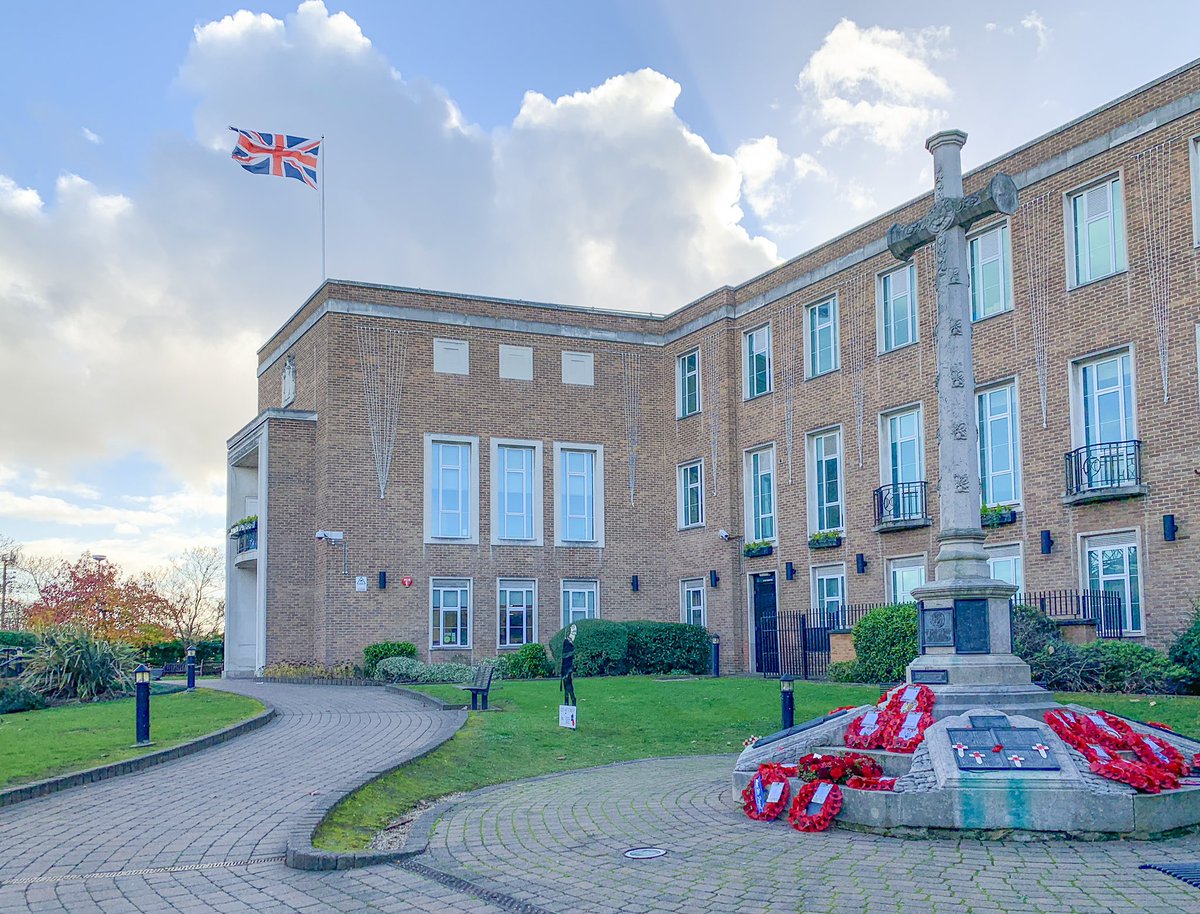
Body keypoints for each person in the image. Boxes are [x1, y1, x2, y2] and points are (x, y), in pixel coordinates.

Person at [560, 623, 577, 706]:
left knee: (569, 684)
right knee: (566, 685)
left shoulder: (570, 643)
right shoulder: (566, 642)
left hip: (568, 668)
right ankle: (567, 701)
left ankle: (572, 699)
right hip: (565, 668)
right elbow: (566, 655)